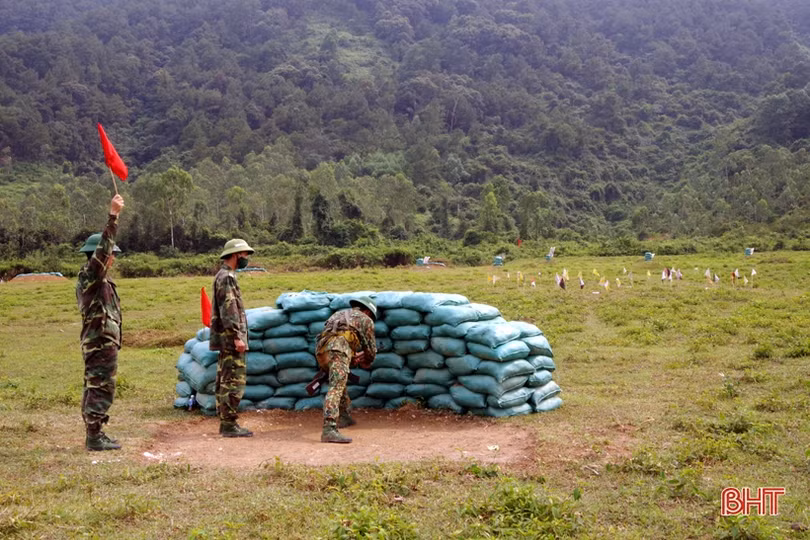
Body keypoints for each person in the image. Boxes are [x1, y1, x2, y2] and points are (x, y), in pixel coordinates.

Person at [76, 194, 125, 451]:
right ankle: (94, 436)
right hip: (98, 341)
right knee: (100, 386)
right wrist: (113, 216)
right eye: (110, 255)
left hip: (102, 341)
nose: (112, 257)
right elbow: (104, 248)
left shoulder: (101, 281)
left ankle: (96, 432)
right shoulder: (91, 275)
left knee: (97, 385)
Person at [315, 297, 377, 443]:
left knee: (339, 382)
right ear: (367, 311)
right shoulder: (366, 319)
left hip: (321, 352)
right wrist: (366, 360)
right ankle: (329, 429)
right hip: (338, 350)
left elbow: (334, 335)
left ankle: (344, 416)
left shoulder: (338, 314)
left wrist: (352, 355)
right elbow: (371, 350)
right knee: (336, 387)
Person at [210, 238, 255, 437]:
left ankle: (225, 421)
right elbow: (230, 310)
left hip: (225, 338)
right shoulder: (227, 277)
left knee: (225, 378)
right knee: (233, 381)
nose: (246, 259)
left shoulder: (223, 275)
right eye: (245, 255)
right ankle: (229, 424)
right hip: (231, 339)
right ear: (236, 255)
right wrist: (238, 336)